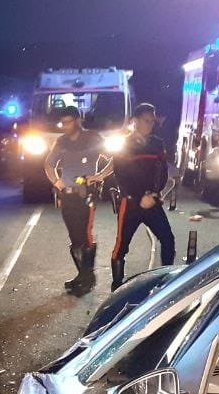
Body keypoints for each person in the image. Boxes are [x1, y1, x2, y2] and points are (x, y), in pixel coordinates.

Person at [109, 103, 178, 290]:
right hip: (130, 203)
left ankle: (166, 280)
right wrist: (139, 197)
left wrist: (154, 194)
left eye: (152, 121)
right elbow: (121, 175)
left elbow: (162, 172)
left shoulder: (157, 144)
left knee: (168, 239)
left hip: (152, 202)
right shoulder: (124, 144)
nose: (150, 125)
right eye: (146, 121)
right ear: (135, 121)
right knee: (121, 246)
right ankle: (116, 286)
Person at [44, 105, 112, 295]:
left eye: (68, 122)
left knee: (85, 235)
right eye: (62, 122)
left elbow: (115, 158)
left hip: (86, 193)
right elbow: (49, 164)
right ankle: (82, 275)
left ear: (78, 120)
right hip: (68, 194)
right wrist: (56, 181)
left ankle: (88, 278)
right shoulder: (61, 142)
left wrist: (99, 176)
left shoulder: (93, 138)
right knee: (74, 238)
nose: (64, 126)